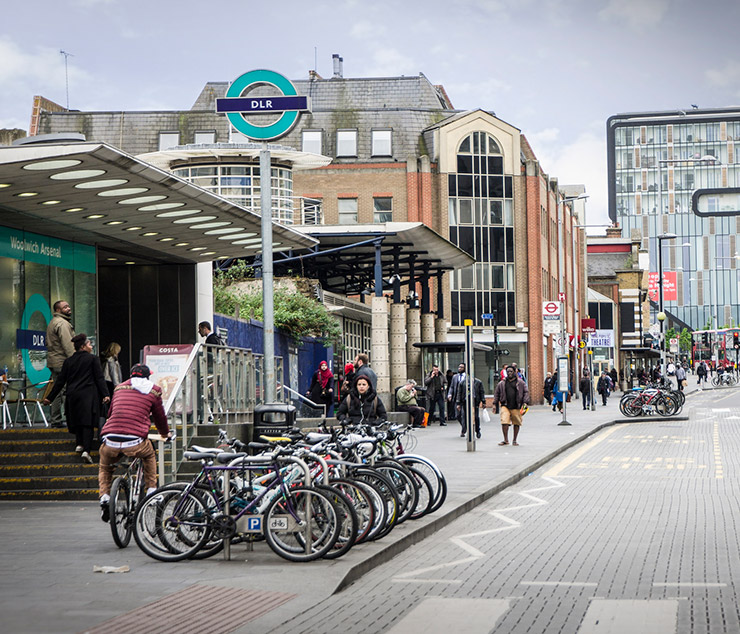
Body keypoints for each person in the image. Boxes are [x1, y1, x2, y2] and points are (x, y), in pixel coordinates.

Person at [97, 364, 171, 523]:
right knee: (149, 454)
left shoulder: (119, 388)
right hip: (135, 441)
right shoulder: (154, 390)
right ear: (147, 376)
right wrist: (165, 434)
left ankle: (104, 496)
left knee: (105, 466)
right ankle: (152, 490)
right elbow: (160, 417)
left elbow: (111, 413)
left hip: (110, 439)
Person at [43, 333, 109, 463]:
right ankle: (87, 451)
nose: (91, 346)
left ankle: (79, 444)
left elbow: (60, 382)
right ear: (83, 346)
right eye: (89, 344)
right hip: (88, 395)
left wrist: (49, 398)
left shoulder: (68, 361)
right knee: (88, 424)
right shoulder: (93, 359)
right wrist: (105, 394)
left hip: (72, 396)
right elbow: (99, 378)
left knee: (78, 421)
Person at [46, 299, 75, 428]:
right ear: (58, 310)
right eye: (65, 307)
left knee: (57, 391)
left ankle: (55, 420)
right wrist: (75, 360)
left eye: (68, 306)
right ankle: (71, 419)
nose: (68, 308)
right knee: (66, 391)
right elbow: (68, 345)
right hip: (63, 362)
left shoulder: (53, 322)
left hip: (54, 362)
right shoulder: (62, 324)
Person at [492, 365, 530, 446]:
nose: (509, 373)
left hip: (517, 405)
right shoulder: (502, 383)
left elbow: (526, 392)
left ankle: (514, 440)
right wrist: (494, 404)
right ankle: (505, 440)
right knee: (504, 422)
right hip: (505, 405)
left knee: (516, 423)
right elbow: (496, 394)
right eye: (508, 371)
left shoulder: (520, 383)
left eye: (511, 371)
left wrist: (525, 402)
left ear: (515, 372)